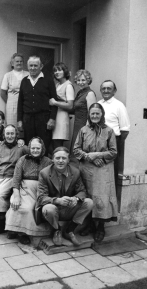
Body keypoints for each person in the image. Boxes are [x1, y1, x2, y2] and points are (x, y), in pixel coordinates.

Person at [73, 103, 118, 243]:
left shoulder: (109, 131)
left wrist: (98, 155)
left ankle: (101, 227)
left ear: (102, 114)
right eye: (92, 113)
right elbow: (76, 150)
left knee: (102, 198)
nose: (95, 116)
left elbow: (113, 152)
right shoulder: (83, 130)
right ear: (89, 115)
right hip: (86, 169)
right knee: (88, 197)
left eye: (97, 113)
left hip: (103, 169)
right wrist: (89, 157)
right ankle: (91, 225)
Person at [36, 146, 93, 246]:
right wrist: (57, 200)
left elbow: (82, 191)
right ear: (53, 160)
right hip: (53, 210)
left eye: (64, 158)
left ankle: (70, 230)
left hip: (68, 207)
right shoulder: (44, 173)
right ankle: (56, 230)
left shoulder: (75, 172)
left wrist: (75, 198)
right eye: (57, 158)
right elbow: (41, 198)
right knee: (49, 208)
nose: (60, 161)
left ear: (68, 160)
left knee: (89, 202)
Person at [5, 137, 52, 244]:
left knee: (29, 208)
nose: (35, 150)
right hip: (24, 188)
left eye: (38, 148)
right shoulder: (22, 160)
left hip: (39, 191)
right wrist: (16, 195)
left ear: (42, 149)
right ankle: (15, 230)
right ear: (29, 148)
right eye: (33, 148)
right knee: (16, 205)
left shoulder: (48, 162)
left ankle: (24, 232)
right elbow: (16, 179)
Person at [17, 55, 58, 154]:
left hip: (43, 119)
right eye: (31, 65)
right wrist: (19, 120)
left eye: (35, 65)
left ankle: (43, 168)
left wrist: (52, 119)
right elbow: (20, 102)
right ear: (27, 66)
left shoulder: (48, 80)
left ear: (41, 66)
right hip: (28, 119)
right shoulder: (24, 81)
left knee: (43, 145)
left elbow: (54, 101)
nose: (33, 68)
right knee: (29, 146)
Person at [98, 80, 130, 185]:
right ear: (100, 90)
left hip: (112, 142)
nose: (106, 91)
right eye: (103, 88)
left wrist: (114, 144)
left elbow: (124, 130)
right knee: (98, 170)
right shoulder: (98, 104)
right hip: (96, 141)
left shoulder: (119, 105)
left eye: (109, 88)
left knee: (111, 172)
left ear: (114, 91)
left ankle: (111, 200)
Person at [49, 63, 74, 149]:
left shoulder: (68, 85)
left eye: (59, 70)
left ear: (65, 72)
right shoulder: (58, 85)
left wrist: (55, 103)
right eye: (55, 71)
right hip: (55, 115)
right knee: (53, 144)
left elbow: (70, 105)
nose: (57, 72)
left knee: (58, 144)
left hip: (61, 117)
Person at [71, 69, 96, 152]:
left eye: (83, 80)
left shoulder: (90, 93)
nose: (80, 82)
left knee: (81, 150)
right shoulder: (80, 93)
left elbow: (92, 114)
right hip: (77, 125)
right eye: (78, 80)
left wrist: (87, 130)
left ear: (88, 81)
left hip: (84, 126)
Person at [0, 53, 29, 126]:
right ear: (12, 63)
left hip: (25, 105)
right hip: (12, 106)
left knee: (25, 126)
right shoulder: (8, 75)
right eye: (17, 61)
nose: (19, 63)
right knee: (12, 127)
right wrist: (10, 102)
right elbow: (3, 93)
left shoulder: (28, 74)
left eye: (21, 61)